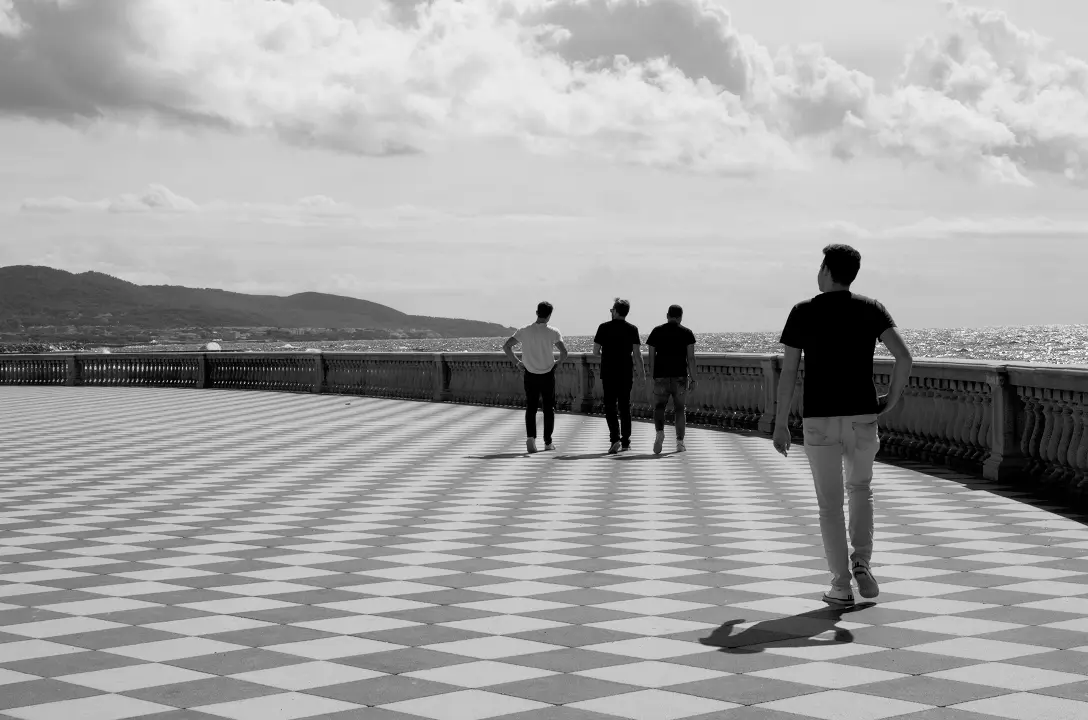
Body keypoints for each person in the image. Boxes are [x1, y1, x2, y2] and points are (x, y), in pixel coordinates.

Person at [773, 244, 913, 607]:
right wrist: (890, 400)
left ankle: (840, 585)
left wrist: (780, 423)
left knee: (830, 505)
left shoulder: (803, 311)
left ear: (825, 270)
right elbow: (904, 357)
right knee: (861, 489)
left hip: (819, 418)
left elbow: (788, 372)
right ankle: (862, 562)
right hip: (863, 415)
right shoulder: (870, 309)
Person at [504, 301, 569, 454]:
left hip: (530, 373)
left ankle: (531, 438)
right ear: (549, 315)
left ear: (536, 312)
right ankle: (548, 442)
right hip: (547, 373)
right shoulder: (553, 332)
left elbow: (506, 346)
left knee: (531, 407)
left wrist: (517, 362)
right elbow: (564, 352)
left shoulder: (524, 331)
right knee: (548, 408)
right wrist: (557, 363)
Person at [593, 298, 646, 454]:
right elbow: (637, 355)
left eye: (611, 310)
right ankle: (626, 442)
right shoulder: (632, 329)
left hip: (608, 372)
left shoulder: (603, 327)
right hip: (625, 372)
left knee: (610, 406)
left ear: (615, 311)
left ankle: (614, 439)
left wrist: (606, 354)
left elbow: (595, 352)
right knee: (625, 407)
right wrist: (642, 375)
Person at [646, 304, 697, 455]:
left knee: (659, 407)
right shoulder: (687, 333)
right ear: (681, 317)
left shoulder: (657, 331)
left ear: (667, 315)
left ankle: (659, 432)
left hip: (661, 376)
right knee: (680, 410)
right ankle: (680, 442)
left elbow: (651, 358)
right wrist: (694, 379)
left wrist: (652, 376)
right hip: (680, 377)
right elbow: (691, 359)